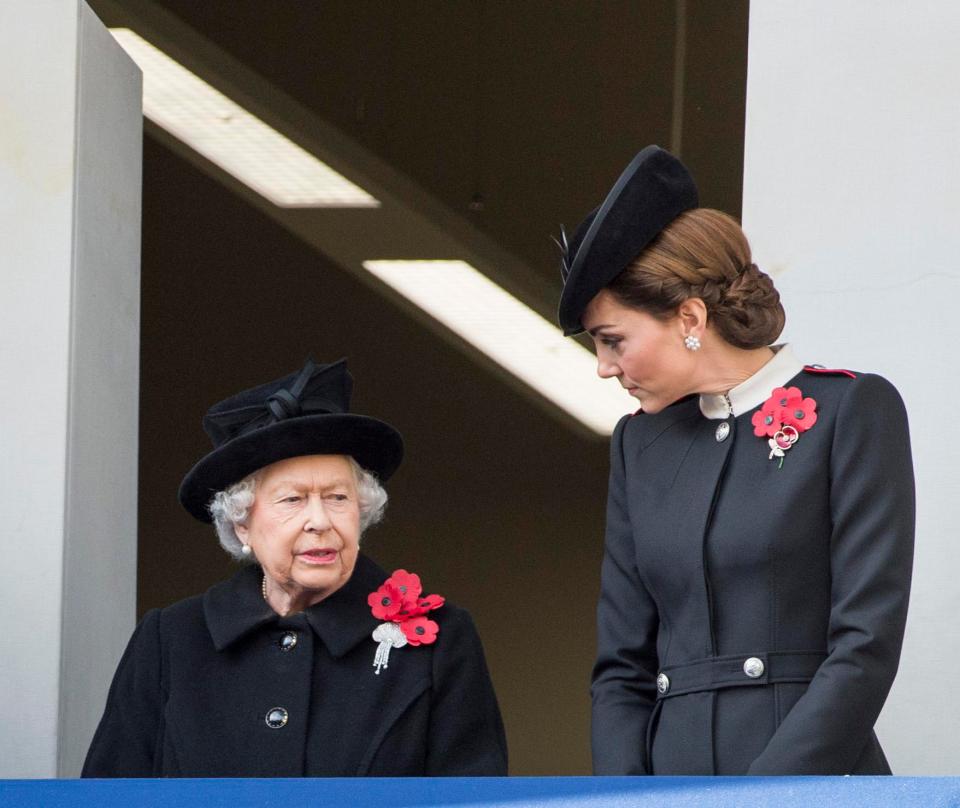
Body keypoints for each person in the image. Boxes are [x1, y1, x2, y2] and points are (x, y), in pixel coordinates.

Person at [557, 146, 914, 775]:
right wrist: (625, 799)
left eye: (613, 341)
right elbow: (621, 668)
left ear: (690, 318)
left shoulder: (850, 409)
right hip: (671, 787)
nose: (604, 366)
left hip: (811, 783)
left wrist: (762, 798)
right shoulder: (639, 443)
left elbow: (864, 646)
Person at [83, 358, 507, 777]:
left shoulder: (440, 640)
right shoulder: (171, 639)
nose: (320, 521)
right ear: (242, 523)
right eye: (292, 500)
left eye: (338, 498)